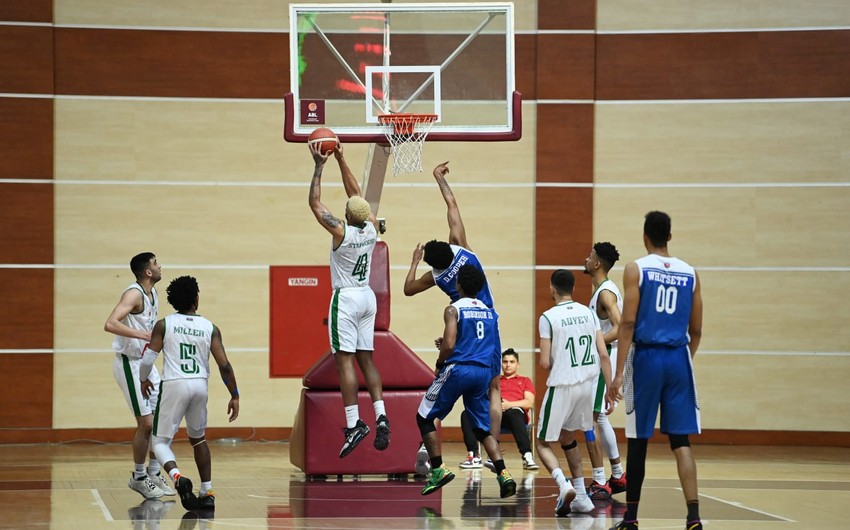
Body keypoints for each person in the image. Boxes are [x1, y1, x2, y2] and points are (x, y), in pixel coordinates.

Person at [607, 211, 704, 530]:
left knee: (638, 440)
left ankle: (631, 518)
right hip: (679, 359)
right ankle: (693, 517)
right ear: (669, 237)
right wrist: (682, 359)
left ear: (645, 236)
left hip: (647, 358)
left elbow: (629, 323)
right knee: (681, 441)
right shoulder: (690, 272)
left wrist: (619, 373)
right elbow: (698, 330)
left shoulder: (637, 268)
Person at [404, 161, 501, 472]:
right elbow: (452, 203)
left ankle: (428, 447)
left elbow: (407, 289)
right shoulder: (462, 248)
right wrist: (438, 177)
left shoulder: (437, 277)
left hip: (464, 326)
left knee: (445, 374)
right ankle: (493, 450)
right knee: (493, 388)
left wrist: (414, 262)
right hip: (490, 320)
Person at [309, 142, 390, 458]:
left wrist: (320, 165)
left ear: (345, 214)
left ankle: (355, 422)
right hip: (367, 297)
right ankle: (381, 414)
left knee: (344, 361)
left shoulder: (340, 231)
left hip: (345, 297)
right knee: (366, 359)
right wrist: (343, 158)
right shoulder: (371, 227)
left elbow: (315, 203)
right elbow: (357, 195)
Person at [139, 275, 239, 511]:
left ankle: (177, 478)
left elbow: (147, 360)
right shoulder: (210, 327)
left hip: (174, 384)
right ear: (196, 298)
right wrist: (234, 394)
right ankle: (207, 492)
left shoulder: (164, 324)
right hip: (200, 385)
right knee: (199, 439)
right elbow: (224, 365)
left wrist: (143, 379)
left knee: (160, 441)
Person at [416, 264, 516, 499]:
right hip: (482, 372)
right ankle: (504, 473)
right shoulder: (490, 312)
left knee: (424, 416)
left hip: (459, 370)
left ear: (458, 285)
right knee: (482, 428)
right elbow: (488, 346)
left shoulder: (453, 309)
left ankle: (438, 469)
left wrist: (441, 362)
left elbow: (449, 345)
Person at [536, 269, 613, 517]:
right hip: (587, 386)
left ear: (552, 288)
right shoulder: (588, 313)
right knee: (569, 438)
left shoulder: (548, 317)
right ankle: (581, 497)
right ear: (572, 288)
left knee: (541, 443)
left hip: (563, 386)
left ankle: (563, 484)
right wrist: (610, 388)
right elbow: (603, 354)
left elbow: (545, 363)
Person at [104, 252, 175, 499]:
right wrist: (143, 336)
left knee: (161, 420)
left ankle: (154, 473)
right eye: (156, 263)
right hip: (128, 363)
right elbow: (111, 323)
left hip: (145, 363)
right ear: (147, 271)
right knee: (145, 423)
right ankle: (138, 476)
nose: (160, 266)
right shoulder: (133, 293)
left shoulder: (152, 293)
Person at [583, 242, 627, 500]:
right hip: (603, 357)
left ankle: (601, 480)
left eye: (590, 256)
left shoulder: (605, 294)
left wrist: (596, 343)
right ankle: (618, 475)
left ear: (597, 263)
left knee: (593, 417)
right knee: (599, 418)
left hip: (604, 358)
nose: (586, 259)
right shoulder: (602, 290)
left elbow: (621, 327)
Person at [459, 348, 538, 471]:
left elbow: (529, 402)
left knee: (514, 412)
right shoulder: (494, 380)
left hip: (512, 414)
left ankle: (527, 455)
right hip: (493, 413)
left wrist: (509, 404)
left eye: (512, 362)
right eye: (505, 362)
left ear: (518, 364)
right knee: (467, 414)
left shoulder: (524, 381)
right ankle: (474, 456)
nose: (508, 365)